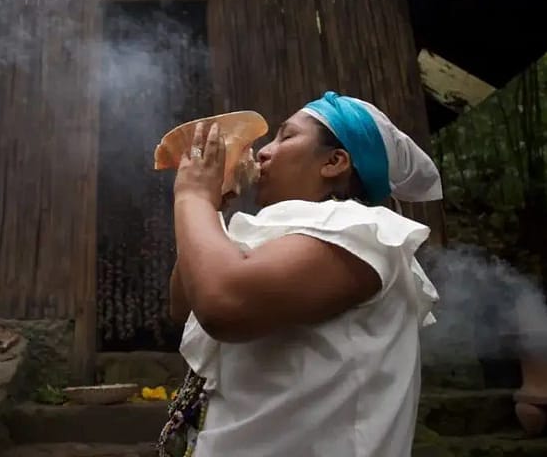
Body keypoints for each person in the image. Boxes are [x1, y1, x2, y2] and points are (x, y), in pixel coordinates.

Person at [158, 91, 442, 457]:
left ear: (334, 162)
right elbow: (185, 304)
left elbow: (221, 304)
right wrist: (210, 209)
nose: (263, 151)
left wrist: (192, 197)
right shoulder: (270, 238)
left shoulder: (361, 230)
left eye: (286, 136)